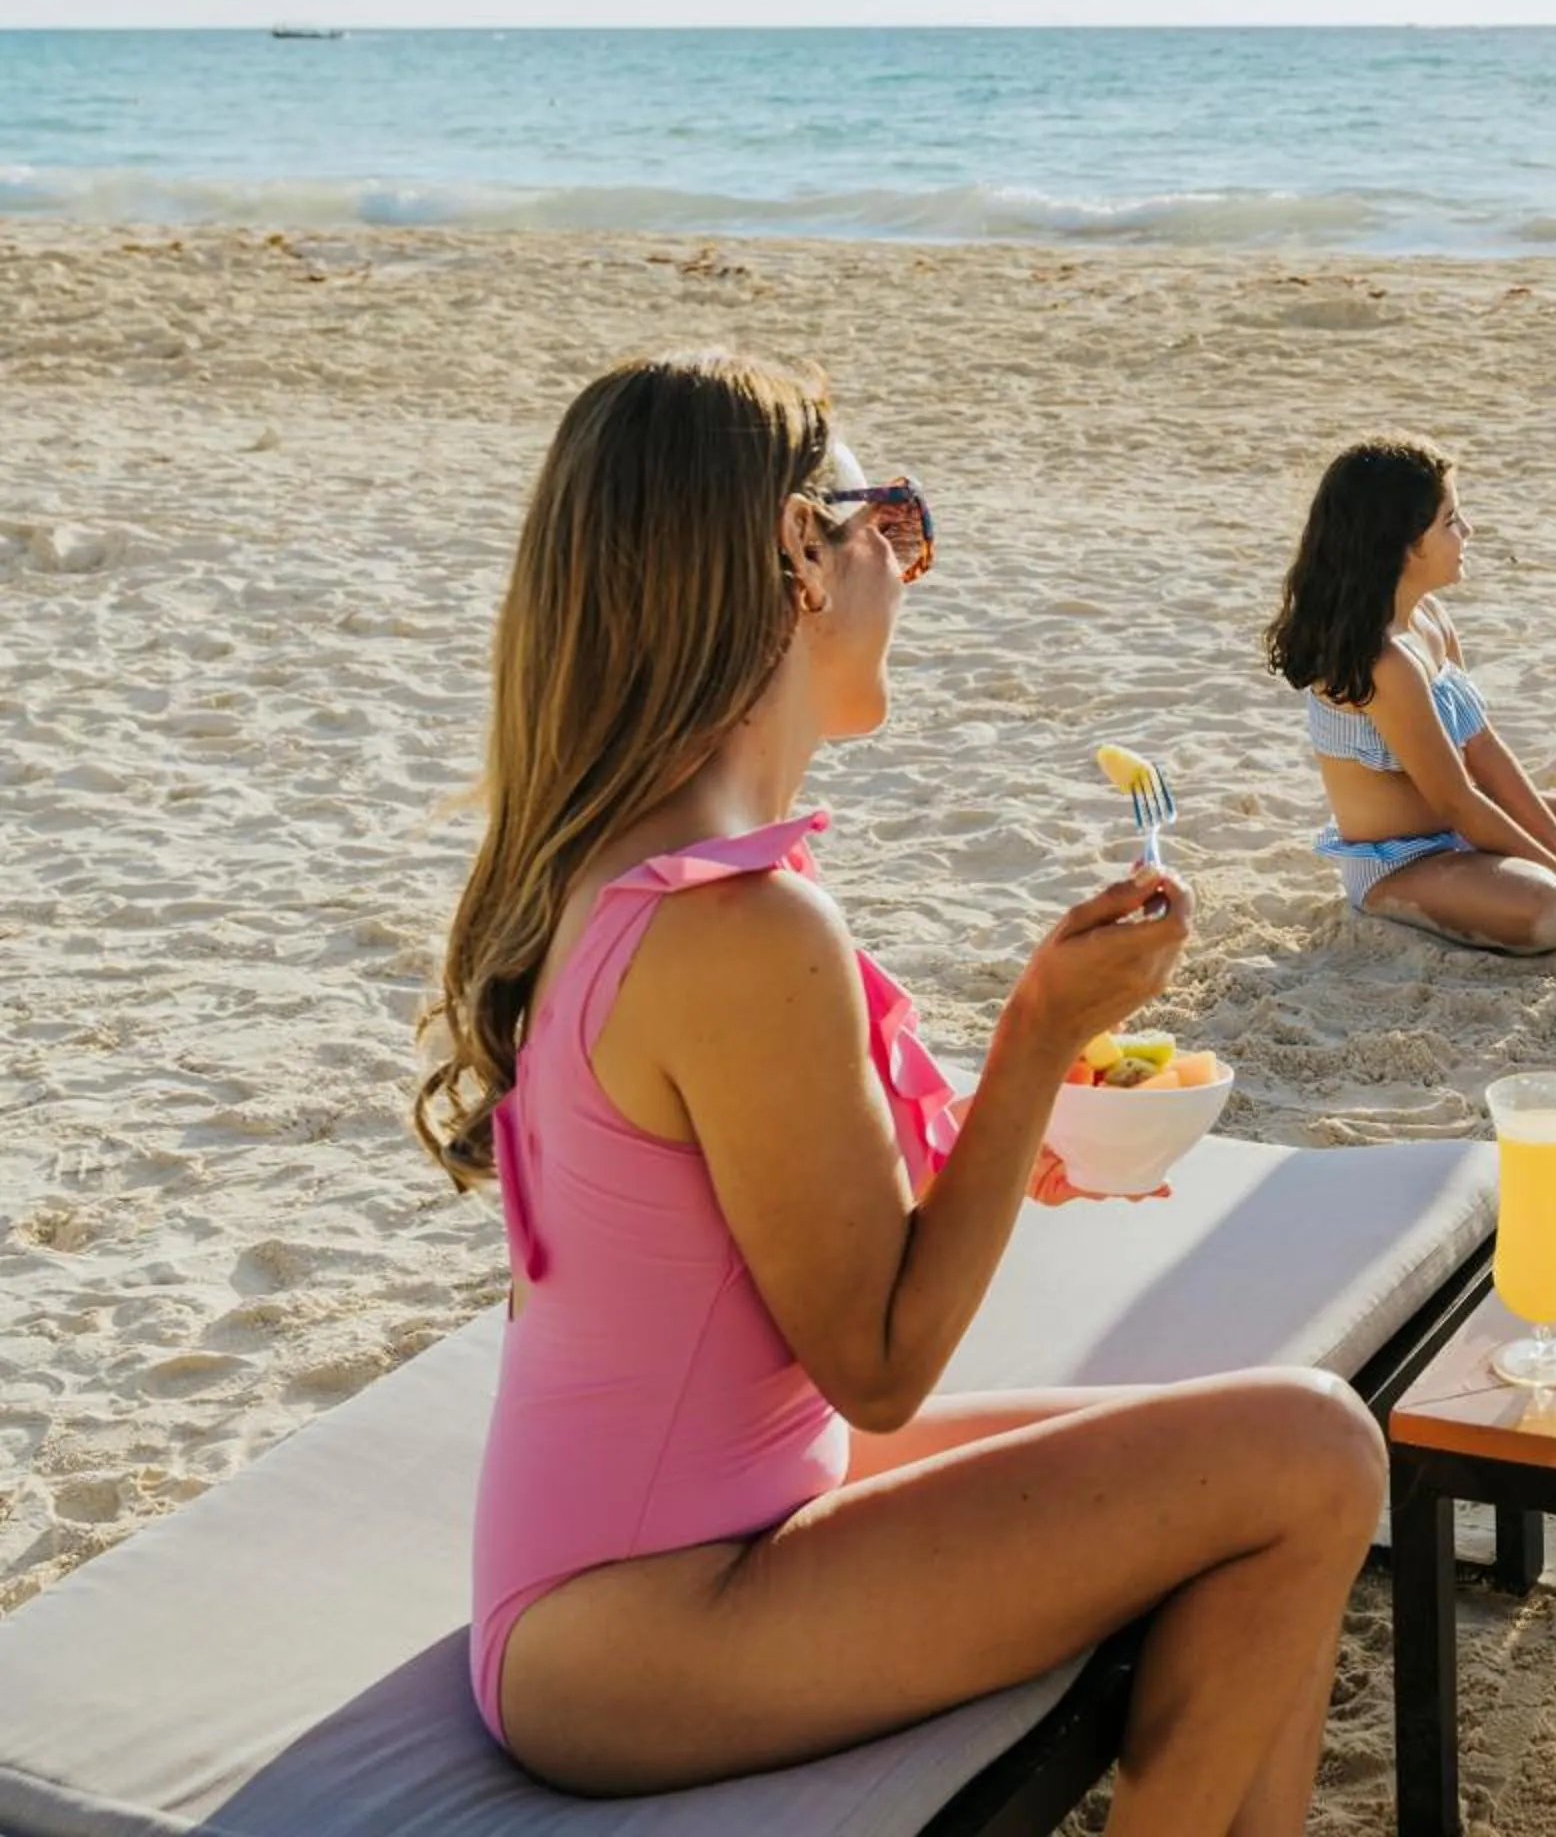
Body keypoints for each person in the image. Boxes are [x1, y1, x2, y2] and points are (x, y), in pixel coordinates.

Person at [414, 352, 1384, 1834]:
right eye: (896, 523)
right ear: (800, 553)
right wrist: (1038, 1043)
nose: (910, 571)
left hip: (674, 1535)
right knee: (1310, 1450)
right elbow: (880, 1363)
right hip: (639, 1624)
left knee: (1264, 1484)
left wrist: (1016, 1120)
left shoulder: (635, 860)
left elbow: (770, 1232)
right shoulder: (738, 927)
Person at [1265, 434, 1556, 953]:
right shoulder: (1384, 663)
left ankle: (1518, 866)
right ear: (1404, 547)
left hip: (1467, 824)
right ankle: (1499, 879)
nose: (1468, 530)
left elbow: (1485, 749)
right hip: (1404, 861)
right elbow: (1457, 801)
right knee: (1550, 911)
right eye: (1450, 521)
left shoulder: (1429, 617)